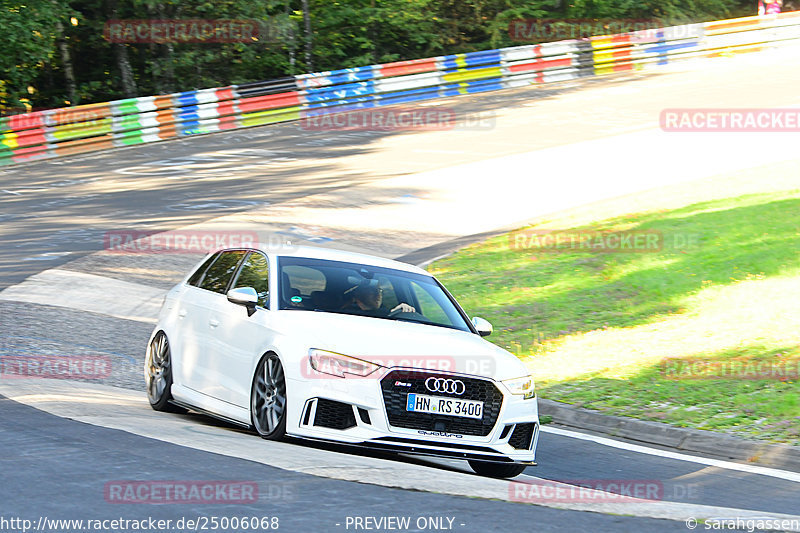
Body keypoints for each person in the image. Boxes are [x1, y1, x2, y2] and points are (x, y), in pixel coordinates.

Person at [344, 283, 416, 316]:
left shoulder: (383, 311)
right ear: (358, 295)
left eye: (379, 290)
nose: (378, 295)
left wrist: (399, 310)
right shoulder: (347, 314)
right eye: (372, 291)